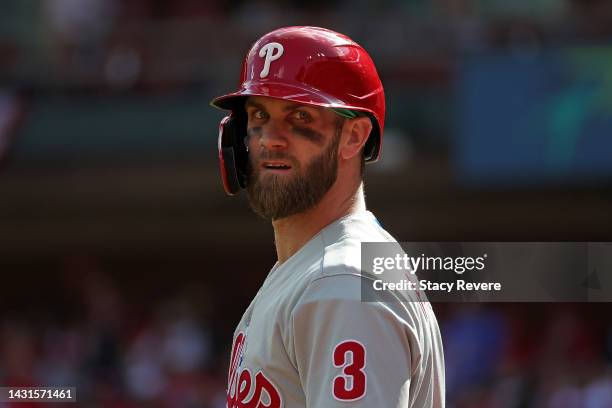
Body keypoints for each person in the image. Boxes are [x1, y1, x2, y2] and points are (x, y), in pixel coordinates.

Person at [211, 26, 445, 407]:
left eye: (299, 116)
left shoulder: (342, 281)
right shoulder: (314, 267)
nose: (270, 138)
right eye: (258, 115)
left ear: (353, 137)